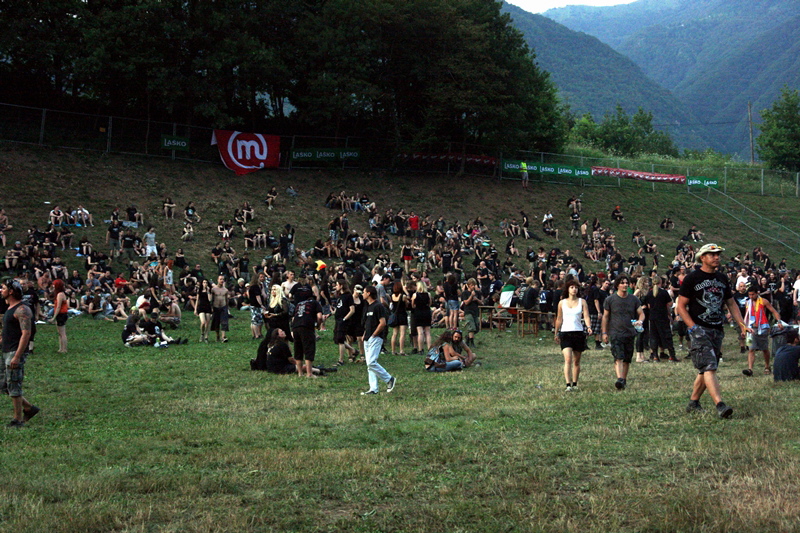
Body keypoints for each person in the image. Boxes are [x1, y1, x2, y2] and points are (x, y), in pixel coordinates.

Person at [677, 243, 747, 418]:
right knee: (710, 366)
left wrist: (741, 323)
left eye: (718, 255)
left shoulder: (722, 278)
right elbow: (681, 306)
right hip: (699, 329)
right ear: (703, 257)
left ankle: (693, 402)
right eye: (712, 254)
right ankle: (720, 404)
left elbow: (731, 303)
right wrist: (692, 327)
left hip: (717, 328)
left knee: (705, 368)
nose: (717, 257)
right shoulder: (692, 278)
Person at [1, 280, 40, 428]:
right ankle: (29, 408)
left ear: (11, 291)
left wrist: (17, 356)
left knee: (14, 385)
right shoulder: (10, 308)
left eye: (3, 288)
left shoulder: (22, 309)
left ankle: (17, 420)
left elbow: (26, 334)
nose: (0, 290)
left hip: (14, 352)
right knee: (4, 385)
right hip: (5, 351)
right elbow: (10, 330)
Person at [601, 275, 645, 390]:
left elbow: (641, 313)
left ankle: (623, 380)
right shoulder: (610, 300)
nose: (625, 285)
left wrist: (640, 321)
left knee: (627, 358)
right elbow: (605, 317)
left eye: (626, 283)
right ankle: (619, 378)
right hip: (615, 332)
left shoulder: (633, 299)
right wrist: (604, 333)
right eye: (622, 283)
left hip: (630, 332)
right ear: (617, 285)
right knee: (618, 357)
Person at [554, 279, 592, 391]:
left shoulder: (582, 302)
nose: (574, 289)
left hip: (578, 332)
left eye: (576, 287)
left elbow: (586, 316)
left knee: (576, 360)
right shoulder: (562, 303)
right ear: (567, 289)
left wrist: (588, 327)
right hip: (565, 332)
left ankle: (575, 383)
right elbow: (559, 318)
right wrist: (556, 332)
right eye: (571, 287)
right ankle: (567, 384)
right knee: (568, 359)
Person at [360, 285, 396, 395]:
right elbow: (367, 323)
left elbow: (382, 323)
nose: (362, 294)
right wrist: (365, 335)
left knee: (371, 362)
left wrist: (374, 335)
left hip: (376, 338)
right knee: (369, 365)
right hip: (367, 338)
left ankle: (389, 379)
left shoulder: (378, 306)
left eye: (364, 292)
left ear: (369, 293)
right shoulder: (367, 306)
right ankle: (373, 388)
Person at [742, 285, 782, 376]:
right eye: (749, 295)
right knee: (751, 349)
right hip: (751, 328)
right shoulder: (748, 302)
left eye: (753, 295)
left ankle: (767, 366)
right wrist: (744, 328)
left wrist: (779, 321)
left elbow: (774, 311)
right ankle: (750, 369)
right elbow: (747, 315)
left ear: (757, 293)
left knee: (764, 349)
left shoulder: (763, 301)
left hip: (762, 328)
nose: (751, 297)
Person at [290, 280, 323, 378]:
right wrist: (318, 325)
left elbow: (293, 318)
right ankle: (309, 373)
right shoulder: (316, 303)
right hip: (306, 326)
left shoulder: (299, 304)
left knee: (298, 349)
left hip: (295, 326)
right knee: (309, 349)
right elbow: (320, 317)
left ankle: (300, 373)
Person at [645, 276, 678, 362]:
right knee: (667, 336)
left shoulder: (649, 293)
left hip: (652, 318)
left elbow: (648, 306)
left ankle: (655, 356)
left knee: (654, 337)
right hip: (662, 317)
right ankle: (672, 356)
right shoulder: (664, 293)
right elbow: (670, 304)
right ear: (661, 282)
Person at [333, 279, 357, 365]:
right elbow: (339, 308)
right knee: (337, 339)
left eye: (337, 285)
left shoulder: (348, 296)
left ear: (341, 285)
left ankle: (341, 360)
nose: (336, 287)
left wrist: (344, 319)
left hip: (343, 321)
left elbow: (352, 310)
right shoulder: (340, 296)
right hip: (338, 319)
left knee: (340, 340)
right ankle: (353, 350)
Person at [411, 281, 433, 354]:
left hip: (418, 313)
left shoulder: (415, 295)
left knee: (420, 332)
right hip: (426, 312)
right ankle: (429, 349)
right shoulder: (428, 294)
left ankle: (421, 349)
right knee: (427, 332)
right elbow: (429, 304)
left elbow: (413, 305)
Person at [389, 281, 409, 355]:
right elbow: (406, 304)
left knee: (394, 334)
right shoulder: (403, 296)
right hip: (402, 315)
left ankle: (393, 350)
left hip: (395, 315)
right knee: (402, 334)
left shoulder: (392, 296)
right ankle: (401, 350)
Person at [210, 275, 230, 342]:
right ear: (217, 280)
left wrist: (227, 308)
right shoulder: (213, 289)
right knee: (216, 322)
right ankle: (217, 336)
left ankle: (223, 336)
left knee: (224, 322)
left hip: (223, 307)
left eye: (223, 279)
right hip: (216, 307)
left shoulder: (225, 290)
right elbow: (211, 299)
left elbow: (227, 300)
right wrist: (211, 308)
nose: (222, 280)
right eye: (220, 279)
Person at [52, 279, 69, 353]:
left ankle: (64, 349)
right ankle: (60, 348)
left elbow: (58, 307)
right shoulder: (59, 294)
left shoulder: (60, 294)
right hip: (61, 314)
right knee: (60, 333)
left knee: (62, 333)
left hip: (61, 314)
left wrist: (54, 317)